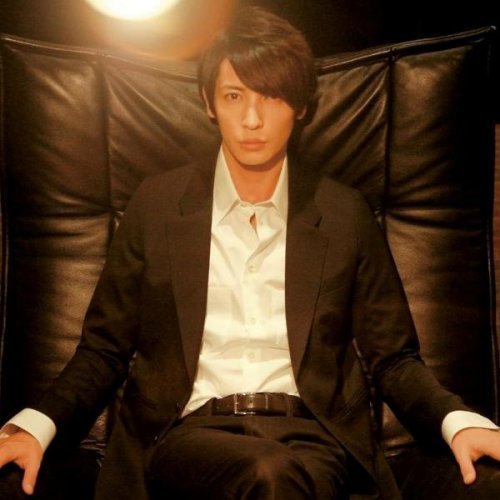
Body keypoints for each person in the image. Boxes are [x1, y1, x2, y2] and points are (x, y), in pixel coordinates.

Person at [1, 6, 500, 499]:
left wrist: (458, 422)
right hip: (187, 435)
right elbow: (103, 350)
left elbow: (393, 358)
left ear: (301, 106)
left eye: (272, 96)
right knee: (269, 474)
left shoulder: (343, 214)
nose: (252, 120)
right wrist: (35, 426)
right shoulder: (157, 206)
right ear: (209, 102)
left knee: (282, 474)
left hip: (314, 436)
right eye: (234, 96)